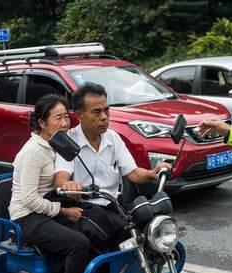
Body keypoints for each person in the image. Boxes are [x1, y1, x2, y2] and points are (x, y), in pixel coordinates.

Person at [54, 82, 171, 232]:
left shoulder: (113, 138)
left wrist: (153, 172)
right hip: (86, 208)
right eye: (97, 112)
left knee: (148, 222)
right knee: (122, 232)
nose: (104, 117)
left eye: (106, 110)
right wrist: (68, 185)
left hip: (113, 204)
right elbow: (60, 177)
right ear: (79, 115)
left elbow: (133, 173)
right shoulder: (70, 141)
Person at [9, 94, 90, 273]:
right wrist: (63, 211)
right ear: (42, 122)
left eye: (66, 117)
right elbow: (29, 199)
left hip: (46, 209)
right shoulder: (33, 152)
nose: (64, 123)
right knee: (78, 243)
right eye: (57, 118)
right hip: (27, 217)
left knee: (92, 227)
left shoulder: (57, 145)